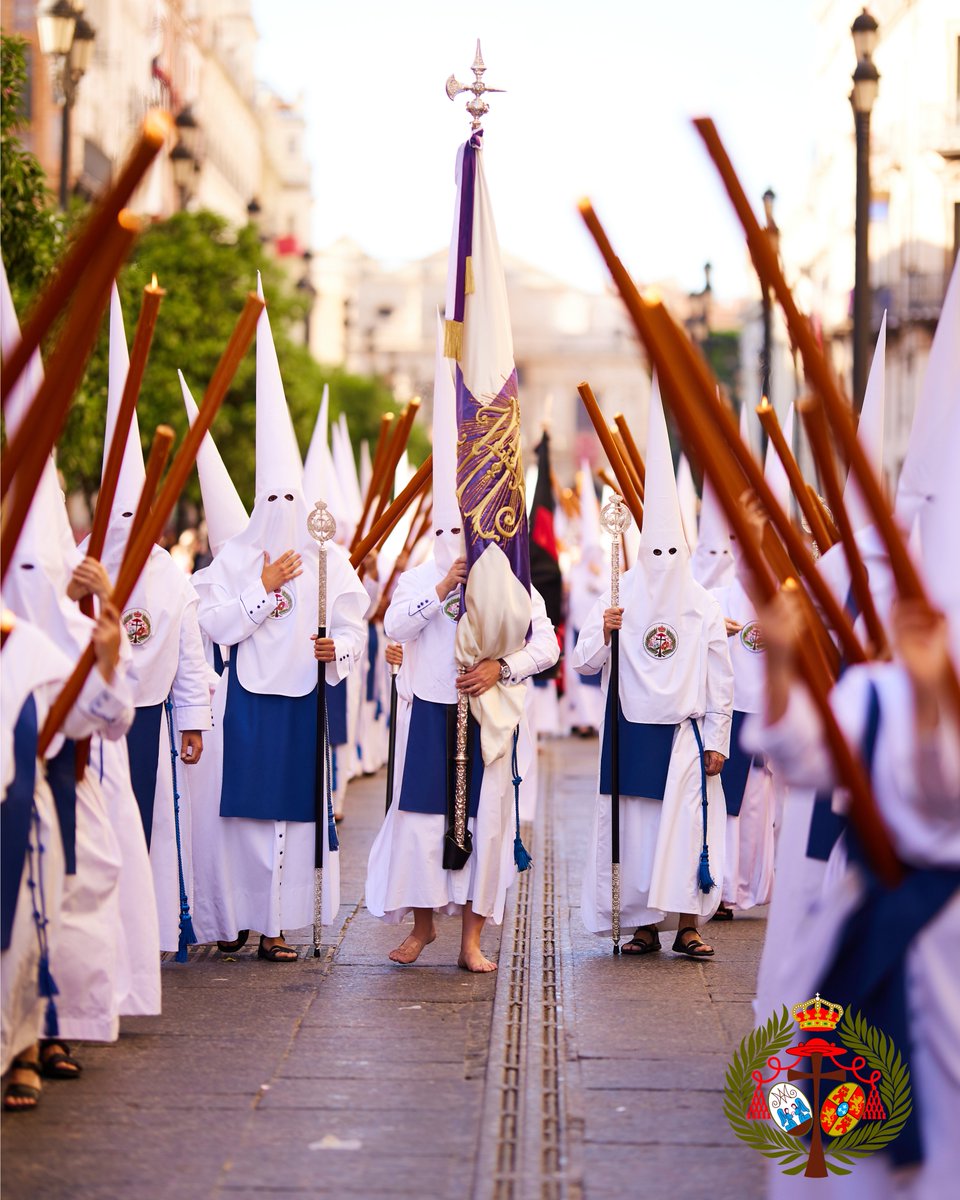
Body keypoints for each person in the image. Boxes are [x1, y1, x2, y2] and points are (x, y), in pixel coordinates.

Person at [192, 277, 368, 961]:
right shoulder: (235, 558)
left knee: (291, 822)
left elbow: (354, 625)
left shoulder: (328, 557)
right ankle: (236, 916)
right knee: (242, 818)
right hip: (247, 700)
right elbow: (214, 628)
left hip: (302, 700)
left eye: (293, 494)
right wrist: (263, 589)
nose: (284, 504)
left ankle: (277, 926)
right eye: (273, 494)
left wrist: (338, 651)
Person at [575, 378, 733, 957]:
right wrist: (607, 628)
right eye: (655, 551)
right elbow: (584, 661)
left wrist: (719, 735)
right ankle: (642, 924)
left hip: (686, 732)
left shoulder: (702, 602)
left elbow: (721, 676)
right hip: (631, 727)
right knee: (638, 831)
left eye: (672, 551)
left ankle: (688, 923)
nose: (664, 562)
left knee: (685, 829)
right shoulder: (619, 591)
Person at [366, 539, 559, 970]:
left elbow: (547, 646)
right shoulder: (417, 578)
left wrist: (502, 667)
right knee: (420, 825)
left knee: (485, 823)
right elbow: (395, 626)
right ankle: (422, 926)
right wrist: (440, 589)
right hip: (429, 716)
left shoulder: (515, 580)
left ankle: (470, 941)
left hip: (488, 716)